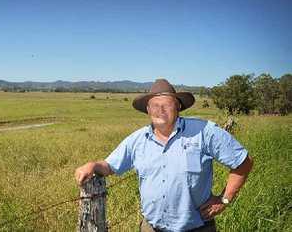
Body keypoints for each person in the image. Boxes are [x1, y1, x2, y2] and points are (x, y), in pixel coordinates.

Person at [75, 79, 253, 232]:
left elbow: (243, 162)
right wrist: (92, 165)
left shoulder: (204, 132)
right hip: (151, 228)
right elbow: (109, 166)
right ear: (148, 109)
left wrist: (224, 199)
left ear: (178, 107)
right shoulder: (137, 140)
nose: (160, 109)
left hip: (197, 228)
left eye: (166, 104)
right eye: (155, 105)